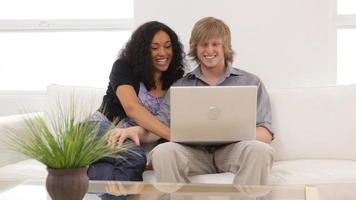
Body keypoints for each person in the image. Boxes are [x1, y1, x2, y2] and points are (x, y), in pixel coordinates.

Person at [150, 17, 275, 185]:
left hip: (234, 151)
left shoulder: (251, 82)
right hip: (194, 153)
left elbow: (265, 133)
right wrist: (135, 131)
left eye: (215, 44)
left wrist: (227, 133)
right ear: (196, 48)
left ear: (225, 47)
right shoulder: (180, 86)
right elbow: (158, 125)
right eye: (203, 44)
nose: (209, 50)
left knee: (260, 150)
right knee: (162, 152)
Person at [87, 21, 185, 181]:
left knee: (111, 168)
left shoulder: (177, 81)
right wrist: (173, 135)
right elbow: (132, 108)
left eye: (168, 46)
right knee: (135, 158)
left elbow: (169, 120)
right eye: (155, 48)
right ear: (142, 51)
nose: (163, 52)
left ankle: (81, 174)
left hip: (133, 141)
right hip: (100, 129)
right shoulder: (123, 67)